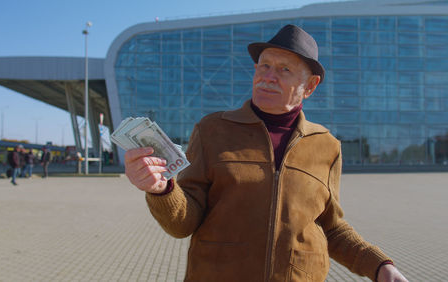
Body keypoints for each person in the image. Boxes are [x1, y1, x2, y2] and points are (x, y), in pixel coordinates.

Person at [125, 25, 407, 282]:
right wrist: (162, 190)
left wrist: (381, 267)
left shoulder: (327, 146)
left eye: (284, 70)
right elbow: (183, 223)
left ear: (310, 86)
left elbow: (331, 228)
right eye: (264, 66)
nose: (268, 77)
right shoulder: (213, 130)